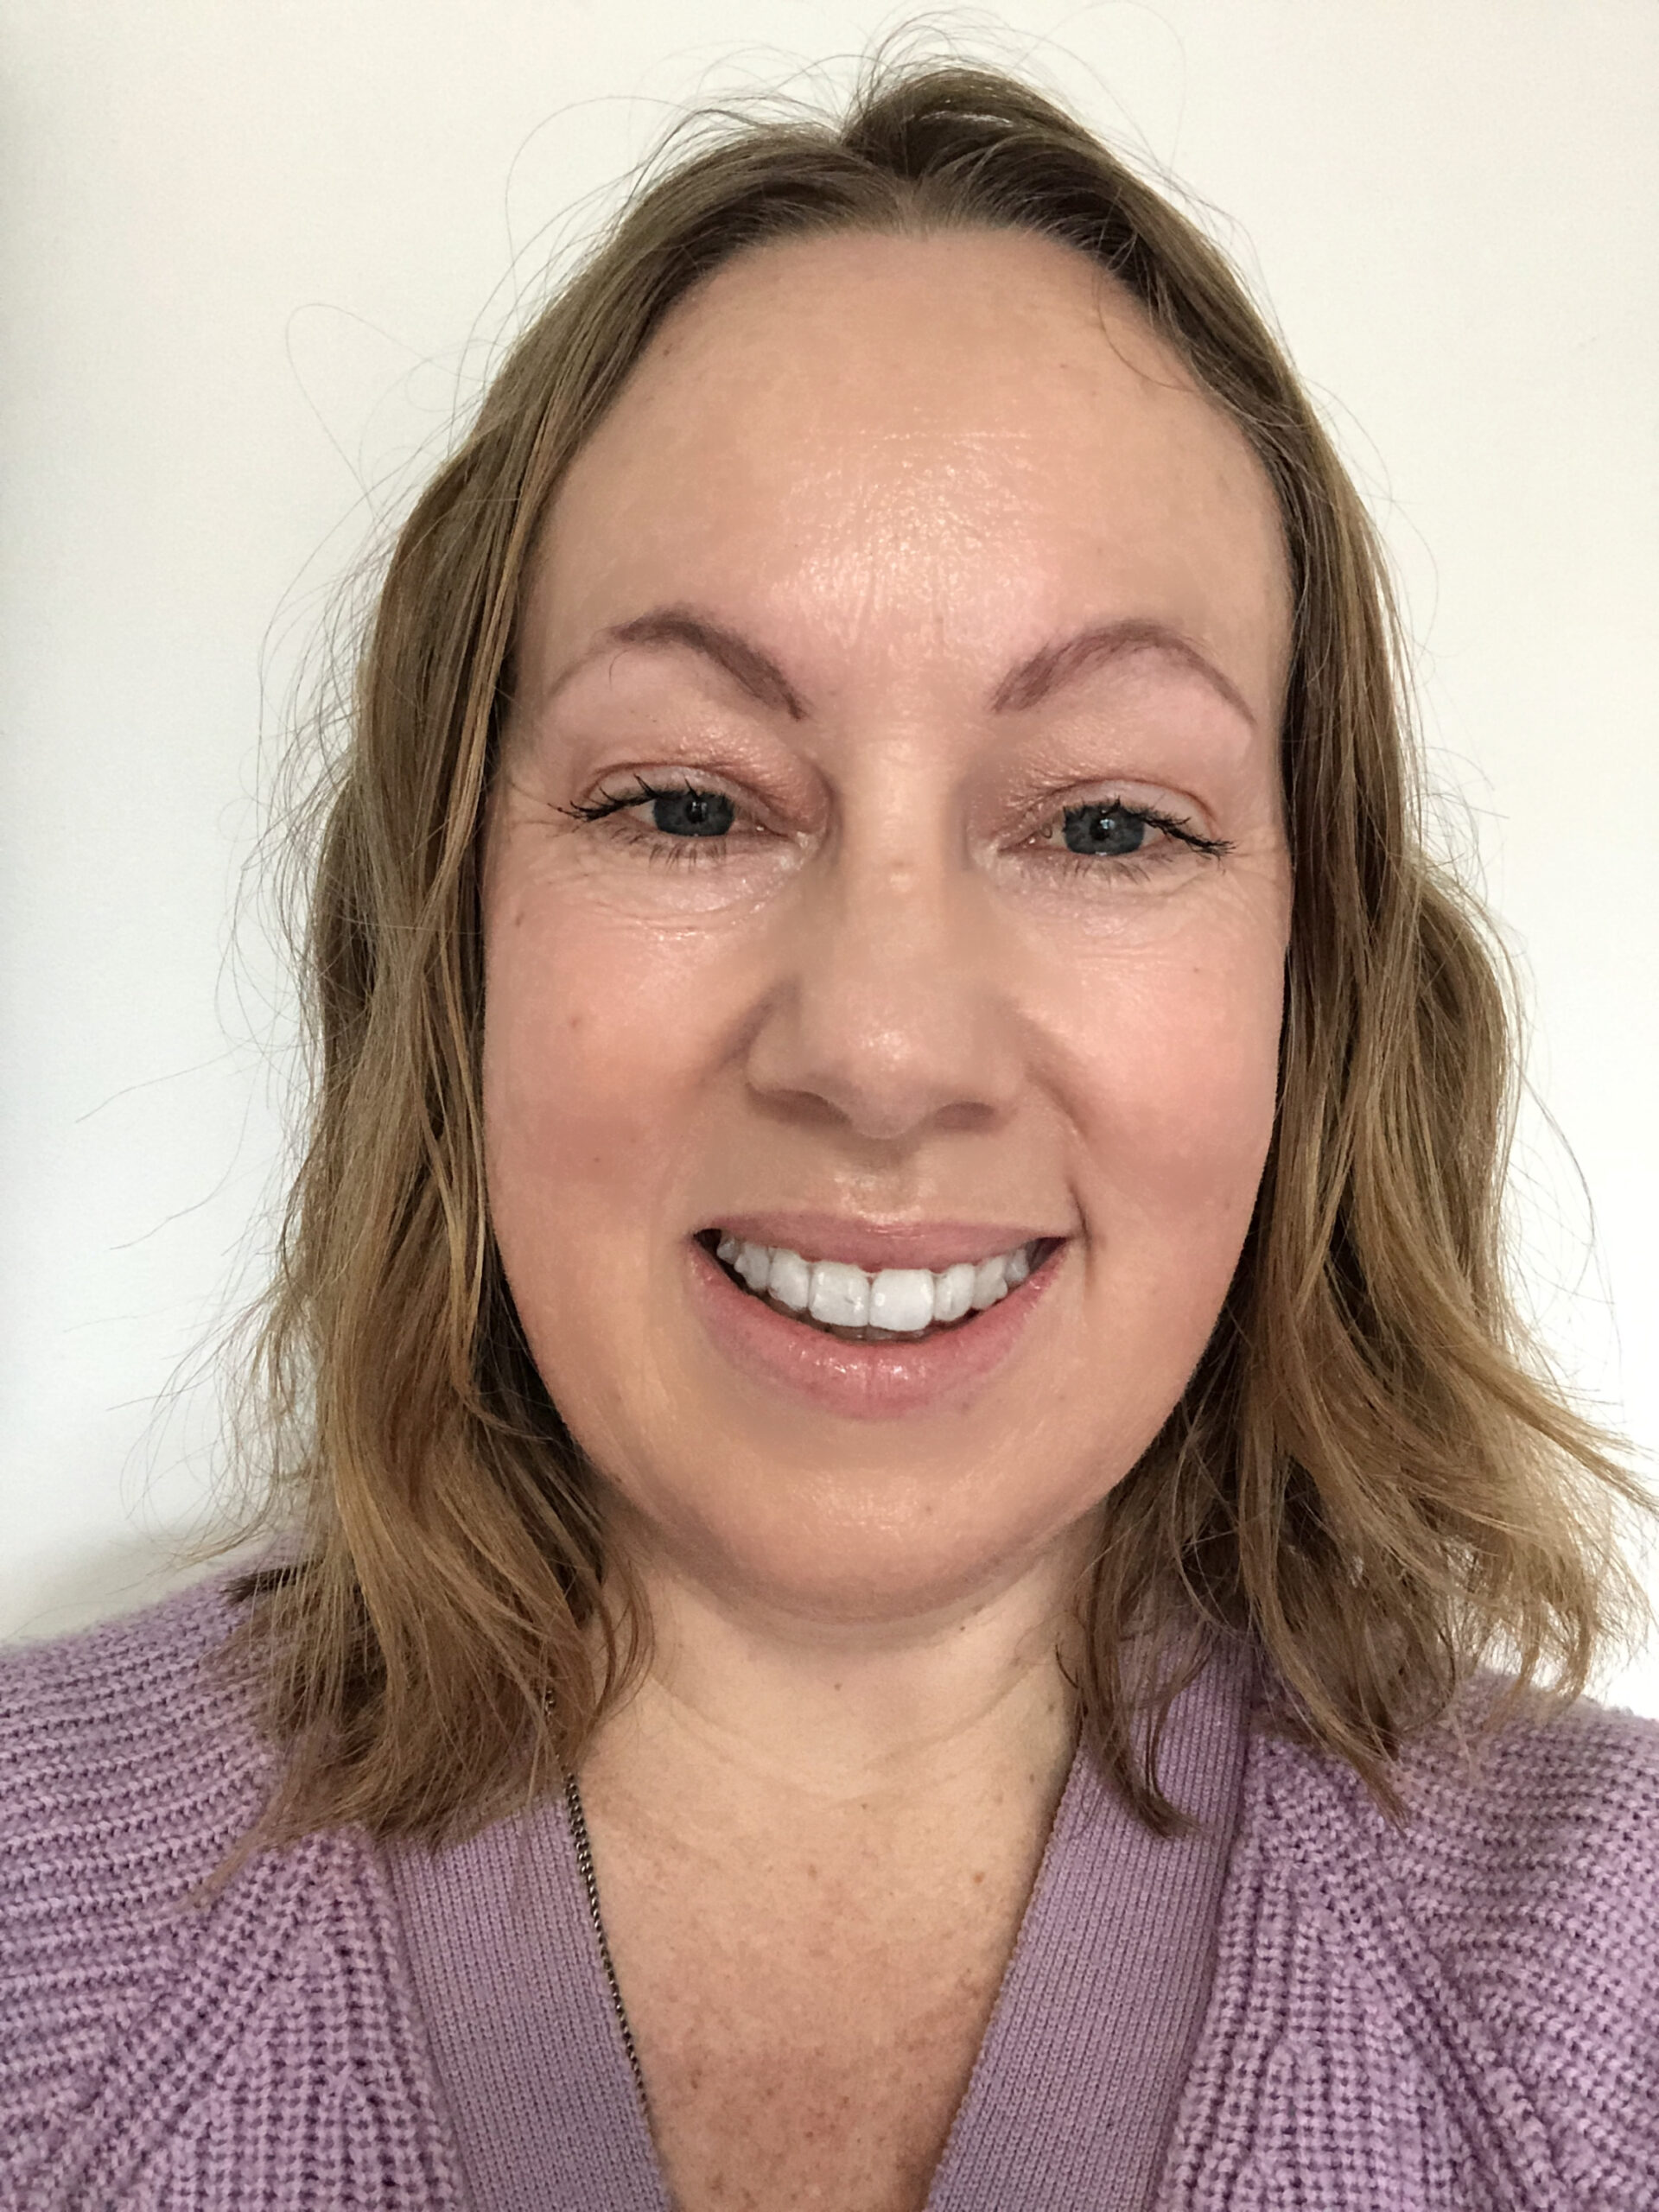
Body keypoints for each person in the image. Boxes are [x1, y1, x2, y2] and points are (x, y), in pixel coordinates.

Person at [3, 49, 1657, 2212]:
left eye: (1103, 820)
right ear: (457, 932)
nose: (880, 1045)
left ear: (1311, 990)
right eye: (683, 802)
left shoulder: (1602, 1994)